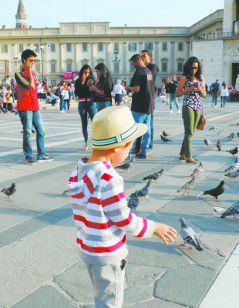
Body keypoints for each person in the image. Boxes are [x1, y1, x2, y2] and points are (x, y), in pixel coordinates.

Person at [67, 105, 177, 308]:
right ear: (118, 147)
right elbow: (125, 220)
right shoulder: (109, 178)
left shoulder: (79, 171)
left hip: (88, 249)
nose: (128, 153)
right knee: (111, 302)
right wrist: (154, 227)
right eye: (129, 146)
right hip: (108, 253)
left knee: (101, 294)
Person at [14, 49, 53, 164]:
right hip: (25, 107)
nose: (33, 63)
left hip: (34, 106)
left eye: (34, 61)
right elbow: (31, 85)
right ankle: (28, 155)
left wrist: (31, 72)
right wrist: (29, 71)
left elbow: (36, 86)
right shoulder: (18, 74)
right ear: (24, 60)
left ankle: (41, 154)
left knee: (41, 131)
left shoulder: (33, 74)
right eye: (31, 61)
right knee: (27, 132)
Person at [175, 56, 206, 164]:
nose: (194, 70)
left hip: (199, 107)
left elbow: (205, 95)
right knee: (189, 132)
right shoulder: (185, 78)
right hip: (188, 106)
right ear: (188, 67)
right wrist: (187, 89)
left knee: (191, 133)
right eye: (192, 67)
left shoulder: (201, 78)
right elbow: (177, 93)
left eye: (196, 68)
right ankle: (189, 157)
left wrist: (200, 89)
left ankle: (182, 154)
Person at [126, 54, 154, 159]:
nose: (133, 66)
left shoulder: (139, 71)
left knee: (134, 129)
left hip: (140, 104)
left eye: (133, 63)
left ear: (137, 61)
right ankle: (144, 152)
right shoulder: (148, 71)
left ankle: (127, 152)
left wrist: (128, 87)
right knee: (147, 129)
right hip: (149, 104)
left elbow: (137, 89)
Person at [75, 65, 97, 151]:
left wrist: (92, 88)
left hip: (91, 103)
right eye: (84, 72)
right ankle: (86, 143)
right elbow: (77, 93)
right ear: (81, 72)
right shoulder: (77, 81)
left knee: (95, 123)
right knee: (84, 124)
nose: (86, 74)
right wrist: (83, 82)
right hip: (82, 103)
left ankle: (96, 142)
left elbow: (92, 92)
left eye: (88, 72)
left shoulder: (92, 80)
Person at [140, 50, 158, 156]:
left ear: (150, 57)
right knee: (142, 124)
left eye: (144, 56)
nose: (141, 57)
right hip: (141, 99)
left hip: (149, 99)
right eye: (141, 56)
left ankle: (149, 146)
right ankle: (141, 146)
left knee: (149, 124)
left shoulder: (152, 67)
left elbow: (149, 79)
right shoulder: (142, 68)